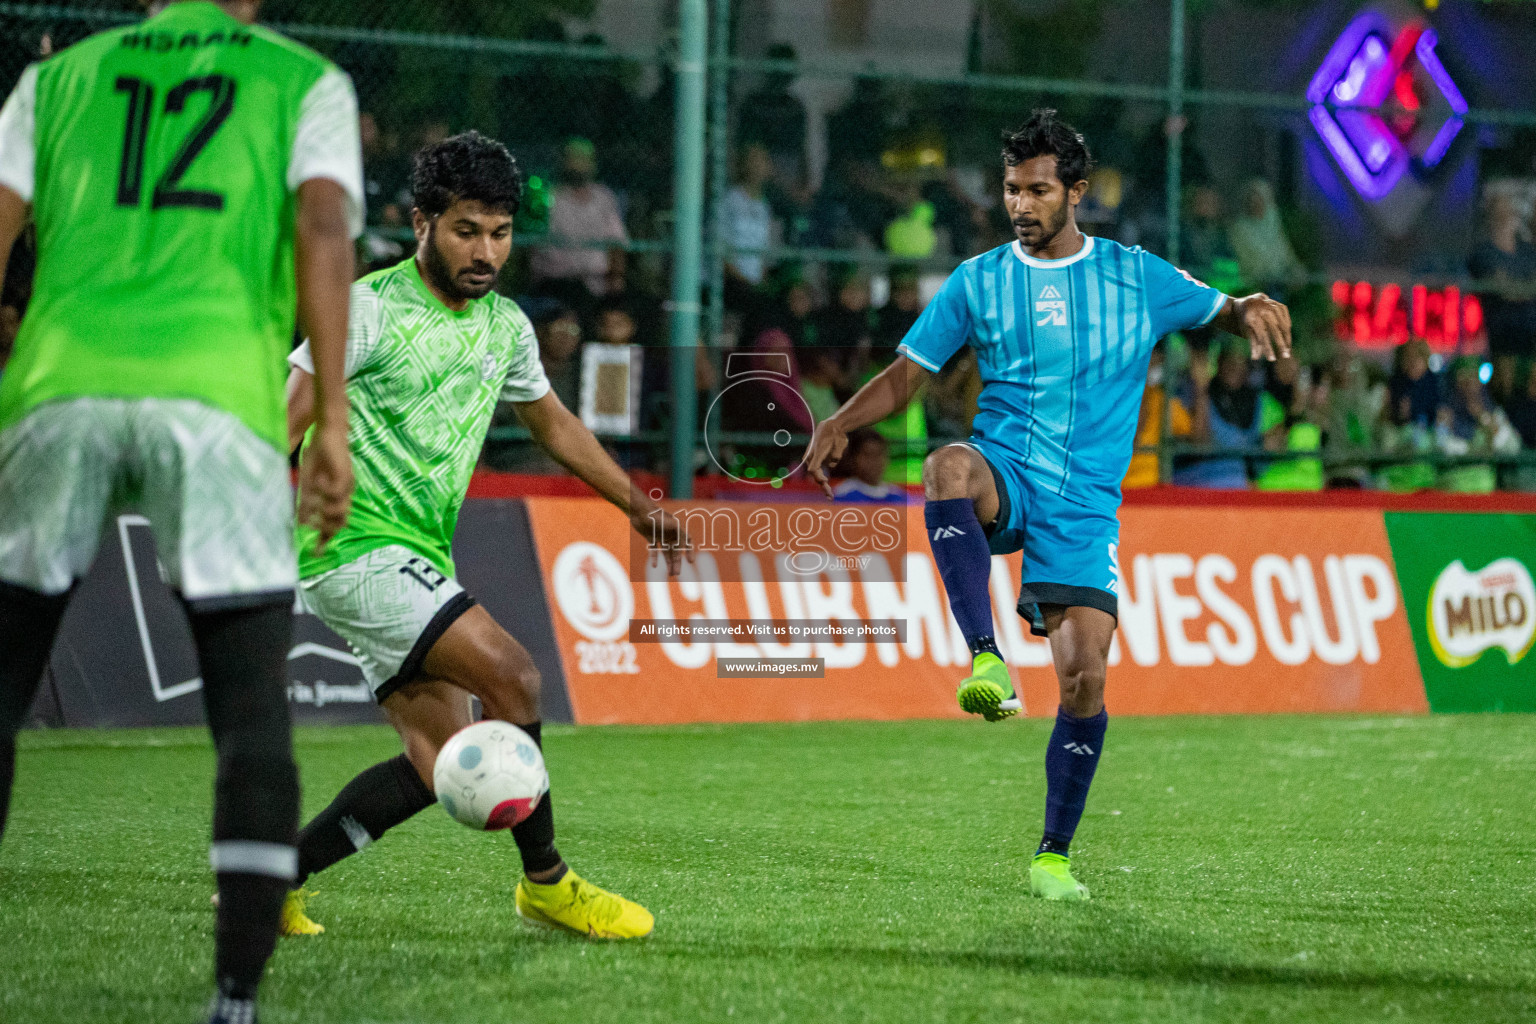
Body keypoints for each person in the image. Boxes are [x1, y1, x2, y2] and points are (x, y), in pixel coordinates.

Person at [804, 109, 1290, 902]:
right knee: (946, 467)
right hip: (1009, 473)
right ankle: (984, 656)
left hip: (1086, 509)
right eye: (1009, 190)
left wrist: (1252, 305)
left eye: (1036, 190)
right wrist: (839, 420)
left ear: (1077, 192)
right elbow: (907, 375)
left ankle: (1053, 856)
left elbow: (1222, 307)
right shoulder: (979, 281)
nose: (1020, 206)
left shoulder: (1136, 277)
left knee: (1084, 680)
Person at [0, 3, 361, 1021]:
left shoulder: (58, 79)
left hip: (58, 386)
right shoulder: (304, 81)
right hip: (218, 402)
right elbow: (324, 228)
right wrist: (329, 416)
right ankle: (235, 1000)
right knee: (250, 713)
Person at [283, 132, 688, 941]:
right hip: (352, 548)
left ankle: (273, 882)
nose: (486, 251)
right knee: (516, 676)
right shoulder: (368, 308)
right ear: (422, 222)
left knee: (439, 766)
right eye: (467, 229)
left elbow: (557, 427)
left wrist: (637, 507)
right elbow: (281, 416)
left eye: (501, 234)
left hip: (419, 554)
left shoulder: (505, 326)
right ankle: (548, 883)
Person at [529, 137, 628, 302]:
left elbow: (616, 242)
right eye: (573, 157)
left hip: (596, 282)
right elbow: (530, 244)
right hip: (555, 281)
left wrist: (616, 280)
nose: (578, 163)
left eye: (584, 158)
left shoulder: (604, 197)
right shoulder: (547, 197)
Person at [1227, 179, 1304, 300]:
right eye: (1251, 201)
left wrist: (1296, 273)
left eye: (1259, 200)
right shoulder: (1239, 229)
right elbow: (1244, 262)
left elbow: (1288, 257)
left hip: (1280, 286)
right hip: (1252, 288)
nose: (1255, 205)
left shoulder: (1274, 225)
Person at [831, 429, 901, 502]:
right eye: (868, 455)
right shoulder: (843, 494)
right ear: (854, 458)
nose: (874, 461)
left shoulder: (896, 494)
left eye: (878, 455)